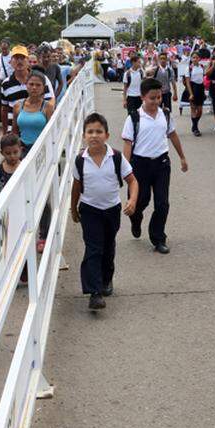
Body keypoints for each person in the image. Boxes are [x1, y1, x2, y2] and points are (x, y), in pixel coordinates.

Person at [70, 113, 137, 311]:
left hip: (112, 209)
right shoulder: (80, 160)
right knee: (93, 249)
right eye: (90, 131)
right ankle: (94, 292)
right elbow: (76, 186)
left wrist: (132, 200)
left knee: (108, 248)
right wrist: (73, 208)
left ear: (106, 135)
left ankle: (106, 279)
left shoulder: (116, 157)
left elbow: (132, 180)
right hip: (90, 210)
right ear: (84, 135)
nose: (94, 135)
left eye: (99, 131)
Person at [122, 77, 188, 255]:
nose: (156, 101)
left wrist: (182, 157)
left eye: (159, 97)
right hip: (139, 165)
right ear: (143, 97)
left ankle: (158, 238)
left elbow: (172, 135)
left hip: (161, 164)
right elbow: (128, 145)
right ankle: (136, 220)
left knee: (162, 204)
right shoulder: (134, 118)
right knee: (140, 202)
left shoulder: (165, 114)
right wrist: (125, 171)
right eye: (152, 98)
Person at [0, 45, 52, 133]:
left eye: (22, 58)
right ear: (10, 62)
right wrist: (5, 132)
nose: (19, 61)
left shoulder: (40, 79)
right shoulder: (5, 84)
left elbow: (48, 103)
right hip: (13, 131)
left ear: (28, 61)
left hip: (36, 129)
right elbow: (4, 109)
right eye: (16, 58)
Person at [13, 71, 55, 153]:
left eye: (38, 85)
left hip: (41, 150)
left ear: (43, 88)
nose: (34, 87)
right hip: (22, 149)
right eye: (31, 84)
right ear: (26, 85)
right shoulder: (18, 106)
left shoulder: (48, 107)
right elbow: (15, 131)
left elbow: (52, 132)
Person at [185, 48, 209, 136]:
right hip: (192, 88)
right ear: (191, 59)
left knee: (200, 110)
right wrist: (191, 93)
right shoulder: (189, 68)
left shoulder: (202, 67)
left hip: (200, 89)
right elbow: (187, 82)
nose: (195, 59)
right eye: (193, 57)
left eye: (196, 57)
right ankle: (195, 128)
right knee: (193, 109)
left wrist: (204, 91)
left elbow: (203, 79)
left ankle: (194, 125)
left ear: (199, 58)